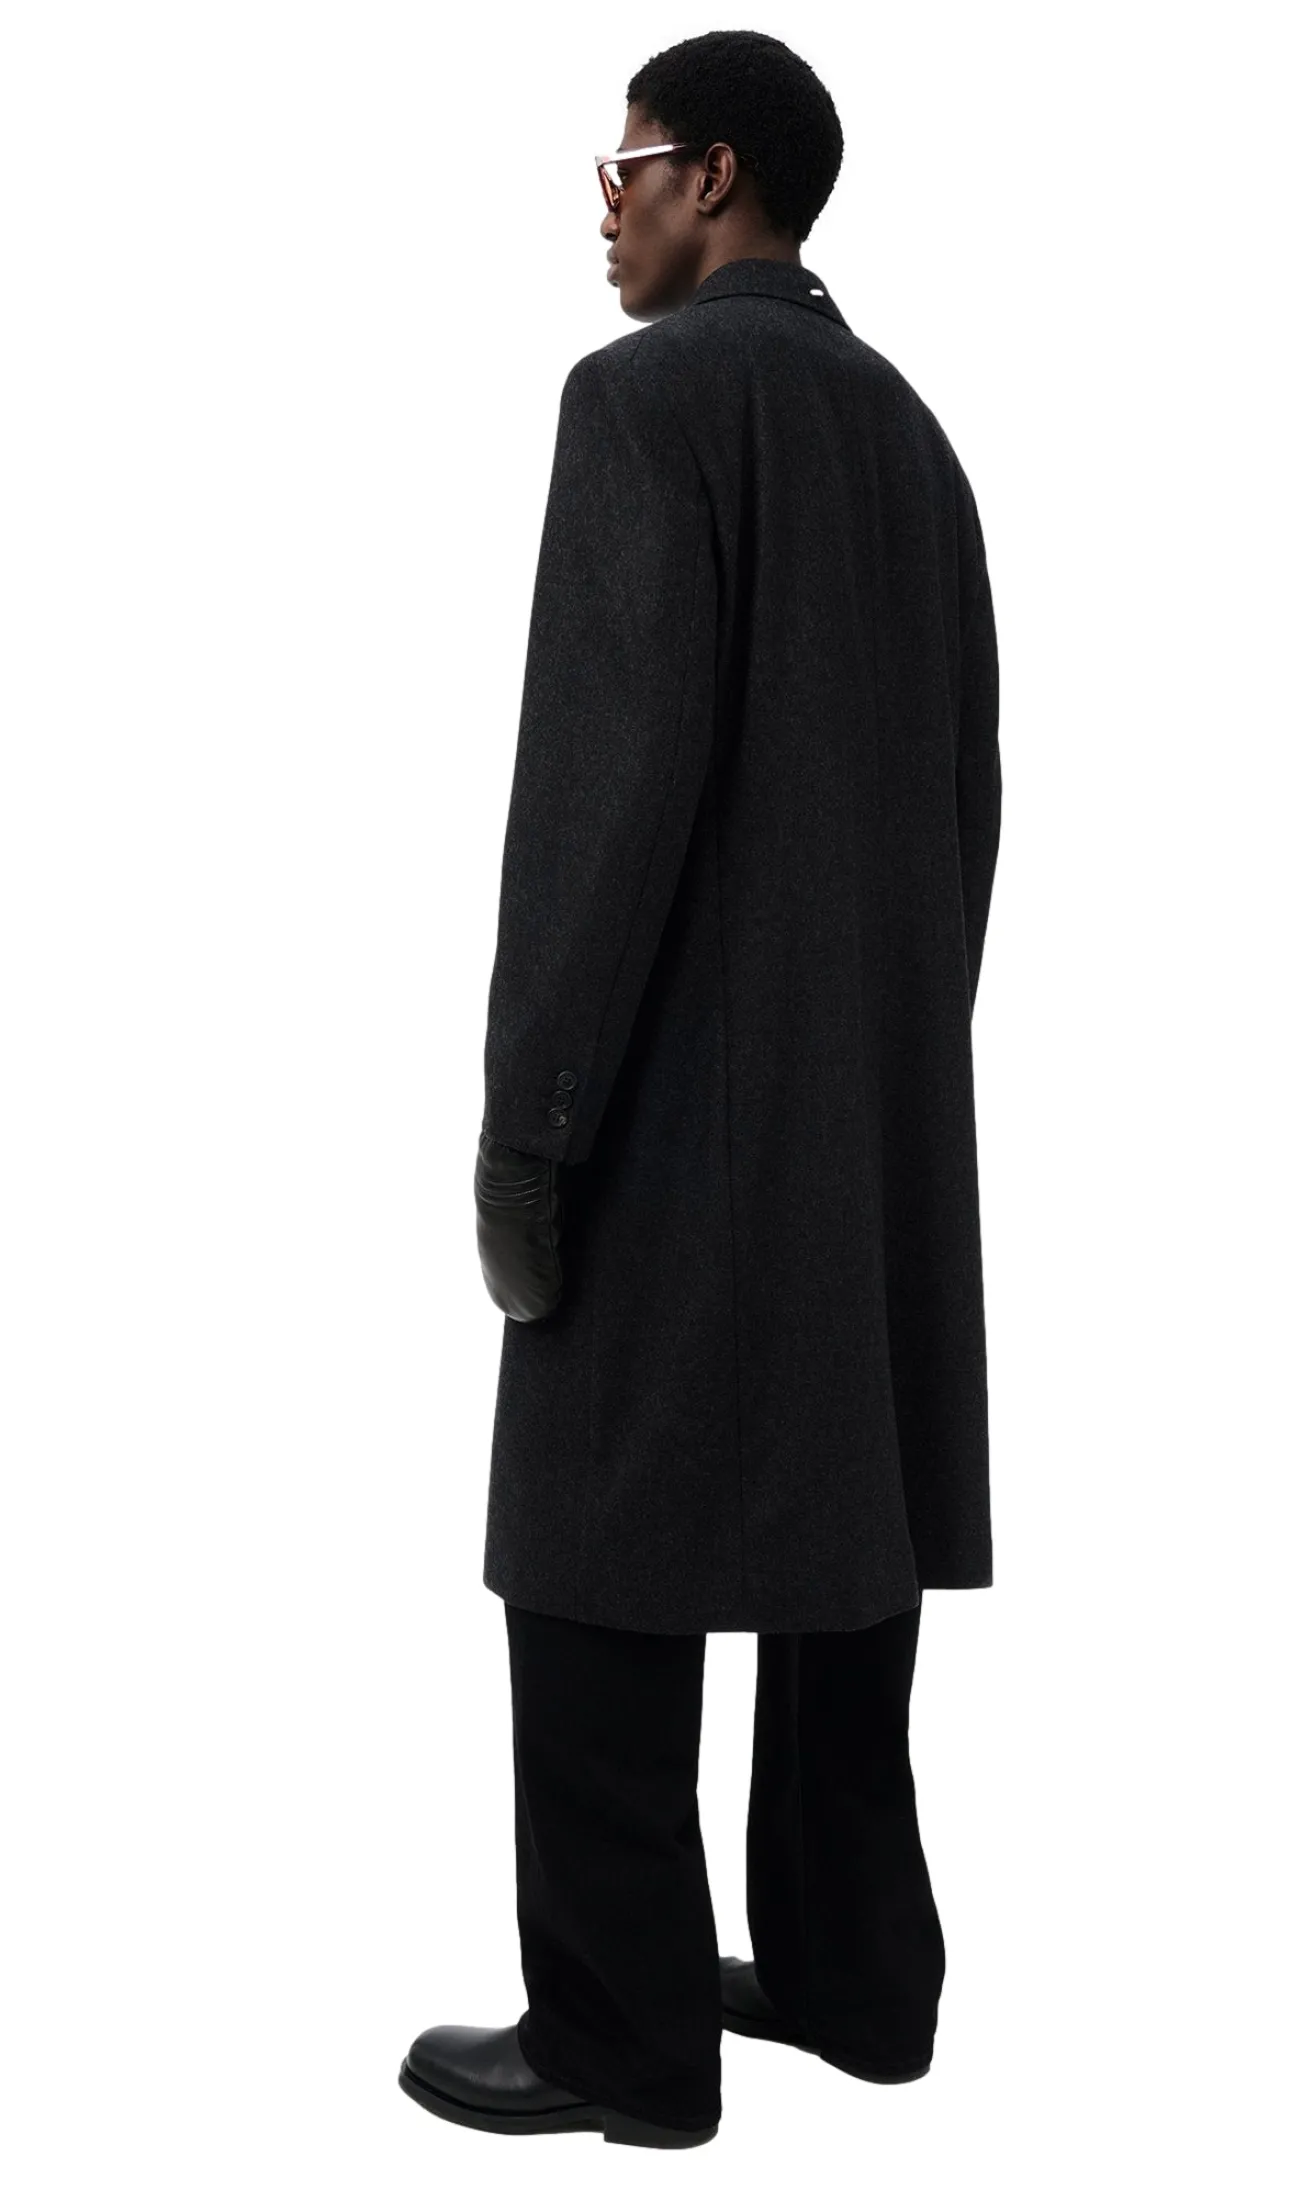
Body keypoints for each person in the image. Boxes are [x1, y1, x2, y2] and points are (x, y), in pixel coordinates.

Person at [399, 28, 1001, 2151]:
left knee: (586, 1563)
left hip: (668, 1109)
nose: (606, 204)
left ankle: (621, 2044)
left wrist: (529, 1131)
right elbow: (971, 803)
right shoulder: (911, 437)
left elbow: (598, 807)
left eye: (627, 163)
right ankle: (854, 1982)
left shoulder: (645, 401)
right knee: (846, 1542)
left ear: (713, 174)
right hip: (877, 1124)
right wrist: (886, 1070)